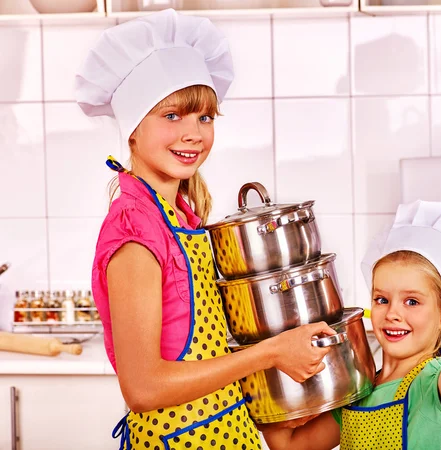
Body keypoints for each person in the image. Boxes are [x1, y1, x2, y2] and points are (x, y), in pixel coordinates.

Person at [76, 9, 335, 450]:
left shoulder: (183, 218)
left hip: (227, 432)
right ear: (132, 129)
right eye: (172, 116)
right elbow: (143, 389)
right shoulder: (134, 231)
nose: (194, 134)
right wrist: (272, 352)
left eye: (206, 117)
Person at [261, 200, 441, 450]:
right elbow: (292, 447)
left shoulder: (436, 381)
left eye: (412, 302)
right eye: (382, 299)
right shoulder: (358, 390)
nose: (392, 313)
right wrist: (264, 364)